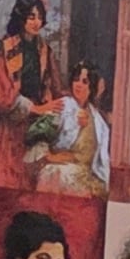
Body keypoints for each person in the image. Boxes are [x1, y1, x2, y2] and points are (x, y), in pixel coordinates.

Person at [30, 61, 109, 195]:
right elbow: (37, 134)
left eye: (85, 81)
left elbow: (102, 160)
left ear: (92, 88)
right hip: (61, 168)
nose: (78, 85)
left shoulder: (98, 121)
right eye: (76, 80)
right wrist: (48, 156)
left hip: (88, 175)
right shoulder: (62, 106)